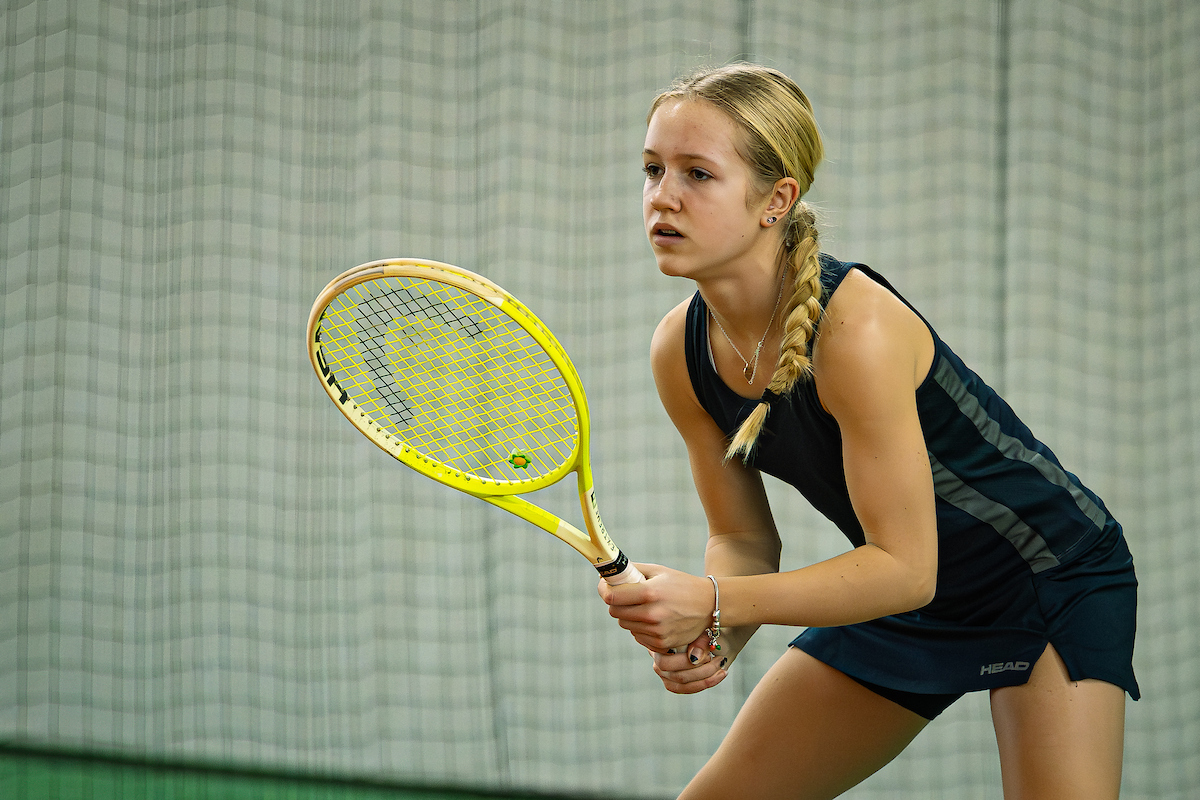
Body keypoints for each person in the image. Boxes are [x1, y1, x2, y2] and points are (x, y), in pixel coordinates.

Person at [598, 63, 1138, 800]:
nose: (663, 197)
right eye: (652, 169)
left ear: (776, 200)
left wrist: (716, 601)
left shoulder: (857, 327)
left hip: (1049, 578)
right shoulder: (679, 352)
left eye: (698, 174)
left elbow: (906, 566)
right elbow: (746, 540)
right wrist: (716, 635)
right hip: (904, 600)